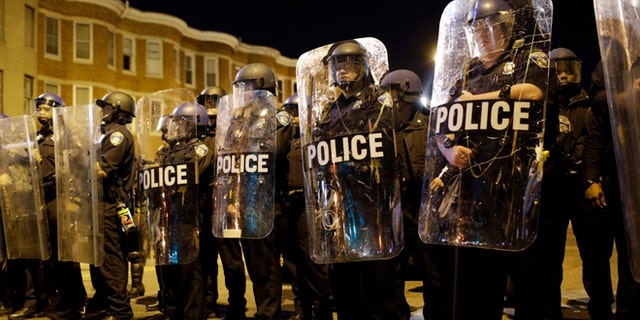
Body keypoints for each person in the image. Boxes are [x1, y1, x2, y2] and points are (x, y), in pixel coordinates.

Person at [427, 0, 550, 318]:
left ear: (506, 28)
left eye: (489, 26)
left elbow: (535, 91)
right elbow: (442, 126)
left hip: (517, 193)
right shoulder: (468, 72)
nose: (481, 34)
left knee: (531, 287)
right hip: (473, 195)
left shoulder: (525, 57)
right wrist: (450, 151)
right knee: (476, 290)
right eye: (476, 28)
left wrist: (481, 99)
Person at [312, 39, 408, 320]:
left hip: (372, 208)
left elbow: (384, 149)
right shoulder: (331, 111)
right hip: (339, 210)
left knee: (381, 290)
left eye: (347, 63)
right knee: (345, 290)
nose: (341, 70)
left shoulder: (377, 101)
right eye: (337, 64)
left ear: (361, 66)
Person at [380, 69, 454, 320]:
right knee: (391, 273)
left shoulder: (432, 125)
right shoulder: (380, 128)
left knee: (432, 273)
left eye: (388, 94)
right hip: (392, 210)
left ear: (401, 95)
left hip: (423, 209)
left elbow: (449, 160)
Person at [533, 47, 593, 319]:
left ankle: (600, 309)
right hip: (553, 188)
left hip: (581, 186)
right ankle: (549, 311)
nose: (566, 75)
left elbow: (593, 141)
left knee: (593, 255)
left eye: (570, 68)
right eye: (559, 70)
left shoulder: (588, 103)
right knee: (550, 257)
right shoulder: (543, 104)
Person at [223, 62, 284, 320]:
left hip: (268, 202)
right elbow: (228, 161)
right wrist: (231, 198)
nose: (243, 93)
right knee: (255, 265)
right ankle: (263, 311)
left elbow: (273, 151)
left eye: (246, 87)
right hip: (244, 202)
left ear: (261, 86)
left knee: (268, 266)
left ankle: (268, 314)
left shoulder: (277, 119)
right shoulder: (238, 123)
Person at [582, 60, 640, 320]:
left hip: (634, 187)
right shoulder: (607, 109)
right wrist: (591, 180)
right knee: (599, 254)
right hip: (612, 185)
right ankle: (604, 309)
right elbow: (594, 143)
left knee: (633, 257)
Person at [275, 93, 333, 320]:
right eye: (290, 111)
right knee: (291, 261)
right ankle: (302, 308)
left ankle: (323, 309)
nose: (294, 116)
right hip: (285, 202)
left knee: (313, 261)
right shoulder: (282, 138)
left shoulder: (316, 137)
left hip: (309, 202)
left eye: (297, 111)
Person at [30, 93, 88, 320]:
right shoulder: (36, 138)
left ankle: (77, 301)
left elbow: (77, 167)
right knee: (52, 257)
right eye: (39, 108)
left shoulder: (66, 138)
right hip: (43, 199)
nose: (41, 113)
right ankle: (62, 298)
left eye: (46, 109)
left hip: (60, 201)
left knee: (67, 256)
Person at [154, 102, 212, 319]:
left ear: (193, 125)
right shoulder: (169, 151)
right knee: (170, 267)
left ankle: (193, 314)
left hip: (190, 217)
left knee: (189, 269)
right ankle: (172, 310)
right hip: (168, 215)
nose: (174, 128)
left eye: (180, 124)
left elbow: (189, 173)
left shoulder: (200, 148)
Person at [197, 86, 249, 319]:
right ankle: (208, 303)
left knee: (231, 260)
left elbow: (239, 170)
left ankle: (237, 305)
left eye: (213, 101)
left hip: (226, 204)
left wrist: (235, 200)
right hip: (203, 205)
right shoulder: (198, 135)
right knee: (206, 258)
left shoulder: (233, 133)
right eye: (205, 101)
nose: (209, 105)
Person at [84, 91, 137, 320]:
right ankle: (103, 303)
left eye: (106, 108)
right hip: (105, 204)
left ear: (117, 110)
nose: (102, 112)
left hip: (112, 204)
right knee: (100, 257)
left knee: (112, 257)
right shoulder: (105, 134)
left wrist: (78, 158)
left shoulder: (118, 136)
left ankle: (120, 310)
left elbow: (103, 170)